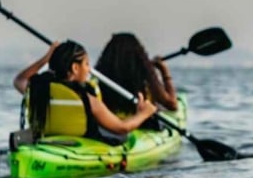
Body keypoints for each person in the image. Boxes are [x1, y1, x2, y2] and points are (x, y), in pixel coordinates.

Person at [13, 40, 157, 144]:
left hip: (45, 144)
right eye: (86, 64)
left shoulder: (38, 89)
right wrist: (144, 113)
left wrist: (46, 58)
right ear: (75, 68)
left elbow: (19, 80)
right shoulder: (87, 98)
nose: (88, 70)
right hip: (80, 145)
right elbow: (122, 128)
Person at [94, 33, 179, 115]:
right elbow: (172, 105)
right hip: (143, 124)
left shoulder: (101, 76)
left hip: (110, 123)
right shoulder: (146, 75)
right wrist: (164, 71)